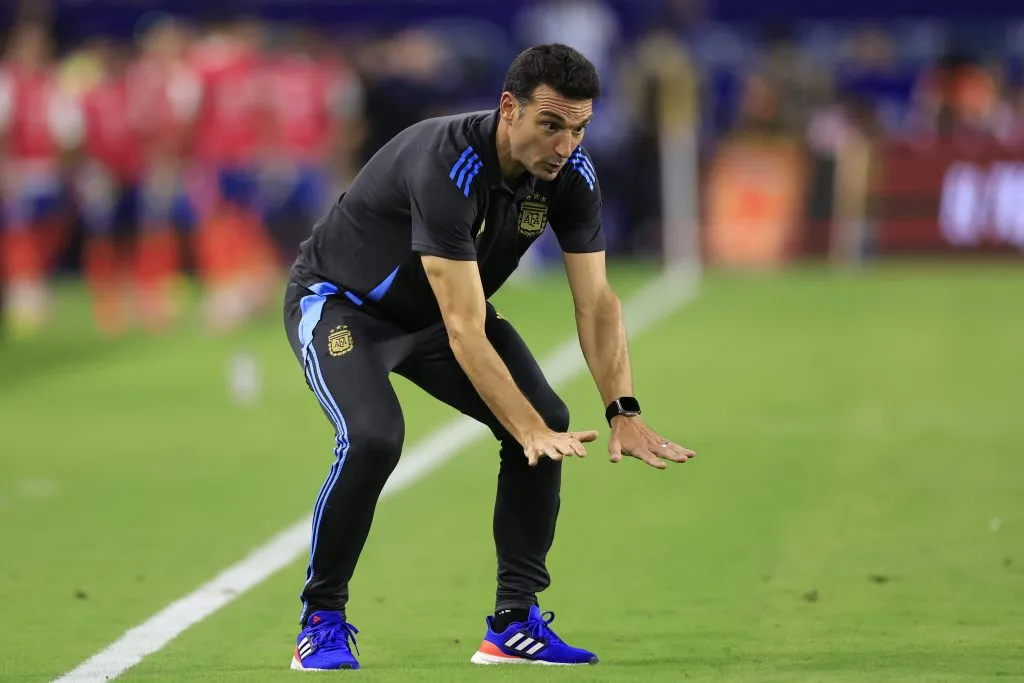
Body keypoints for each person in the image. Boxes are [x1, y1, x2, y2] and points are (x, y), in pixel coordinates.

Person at [283, 44, 695, 670]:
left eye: (578, 128)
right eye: (550, 125)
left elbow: (597, 302)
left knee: (549, 420)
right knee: (373, 437)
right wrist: (523, 427)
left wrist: (623, 407)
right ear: (509, 109)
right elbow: (464, 329)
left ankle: (513, 623)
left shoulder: (571, 177)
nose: (565, 145)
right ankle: (321, 619)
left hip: (439, 315)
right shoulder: (447, 165)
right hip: (345, 309)